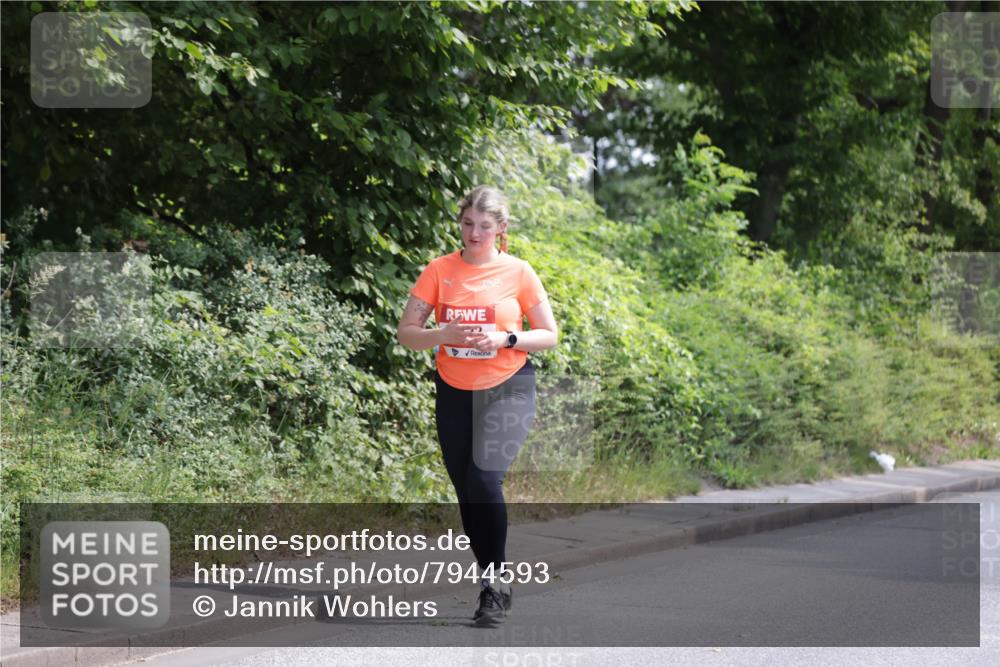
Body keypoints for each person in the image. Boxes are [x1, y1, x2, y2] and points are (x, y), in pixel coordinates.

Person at [396, 185, 558, 626]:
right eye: (467, 224)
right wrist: (439, 336)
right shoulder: (439, 270)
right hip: (453, 389)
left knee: (485, 480)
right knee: (467, 488)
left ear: (500, 229)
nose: (474, 233)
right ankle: (492, 579)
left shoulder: (520, 272)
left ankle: (495, 582)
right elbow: (406, 332)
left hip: (508, 385)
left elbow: (548, 334)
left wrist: (506, 338)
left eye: (484, 227)